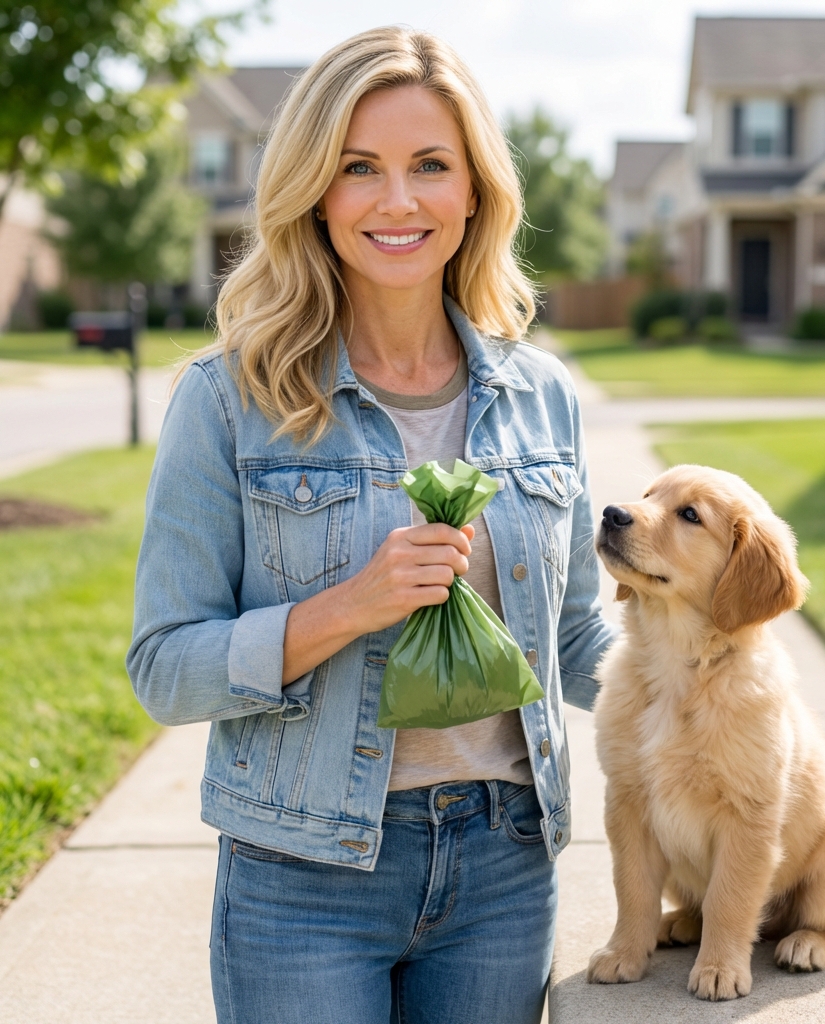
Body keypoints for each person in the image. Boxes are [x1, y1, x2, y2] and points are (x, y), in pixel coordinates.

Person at [127, 25, 614, 1024]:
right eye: (360, 168)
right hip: (302, 877)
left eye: (430, 165)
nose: (398, 201)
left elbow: (573, 642)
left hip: (506, 864)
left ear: (474, 189)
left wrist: (724, 677)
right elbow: (165, 666)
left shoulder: (542, 397)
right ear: (315, 190)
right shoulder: (228, 400)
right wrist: (348, 607)